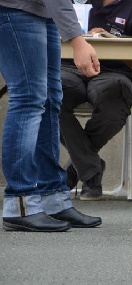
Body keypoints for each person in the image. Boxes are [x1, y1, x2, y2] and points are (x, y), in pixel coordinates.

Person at [0, 0, 102, 232]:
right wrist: (78, 41)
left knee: (49, 99)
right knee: (28, 99)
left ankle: (52, 198)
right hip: (14, 10)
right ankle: (20, 204)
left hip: (41, 12)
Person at [60, 0, 132, 200]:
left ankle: (76, 168)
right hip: (68, 68)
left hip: (113, 72)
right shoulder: (70, 2)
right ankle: (91, 168)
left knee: (116, 96)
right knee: (48, 97)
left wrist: (111, 41)